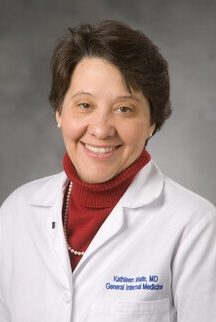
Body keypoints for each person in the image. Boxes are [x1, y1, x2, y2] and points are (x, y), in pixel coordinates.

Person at [0, 20, 215, 322]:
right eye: (84, 105)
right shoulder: (15, 214)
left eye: (124, 108)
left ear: (152, 121)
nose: (101, 130)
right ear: (59, 112)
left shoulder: (195, 226)